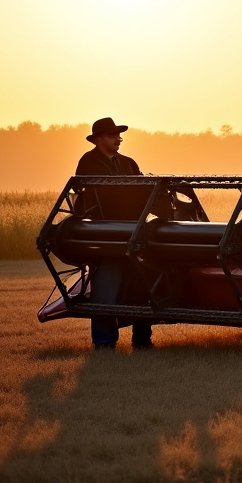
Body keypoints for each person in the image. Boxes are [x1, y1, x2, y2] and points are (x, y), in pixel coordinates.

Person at [76, 117, 154, 350]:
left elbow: (141, 194)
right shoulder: (88, 163)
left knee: (143, 288)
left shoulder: (128, 163)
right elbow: (99, 197)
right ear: (98, 139)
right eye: (112, 135)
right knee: (106, 290)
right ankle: (104, 342)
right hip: (105, 237)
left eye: (119, 135)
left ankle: (142, 340)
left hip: (133, 233)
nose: (118, 139)